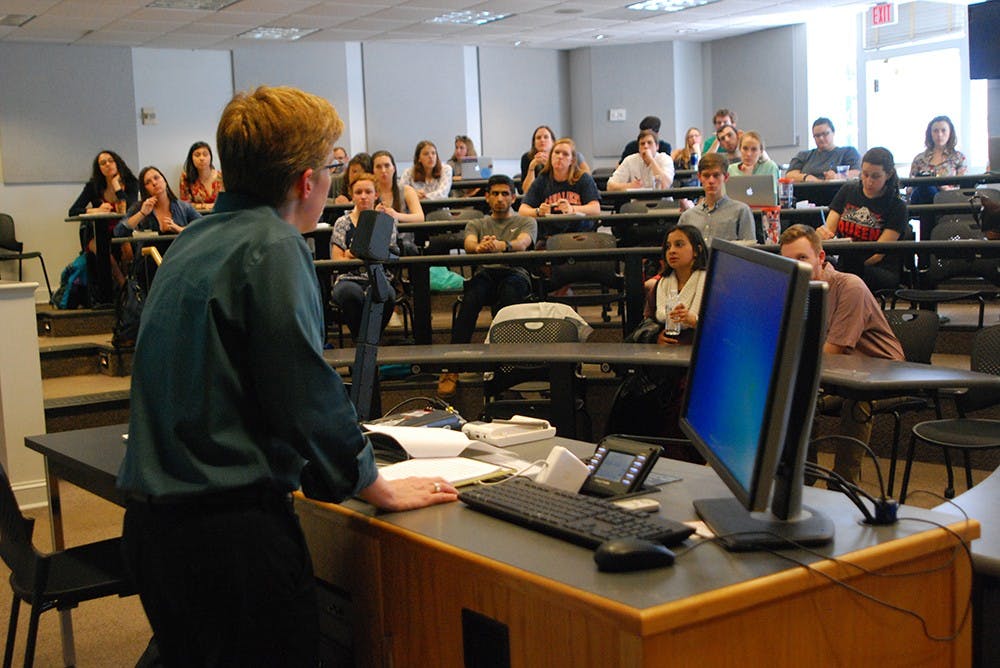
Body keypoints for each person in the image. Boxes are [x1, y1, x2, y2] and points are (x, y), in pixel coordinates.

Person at [117, 85, 458, 667]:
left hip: (157, 529)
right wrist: (371, 481)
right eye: (330, 167)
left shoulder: (192, 240)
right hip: (231, 537)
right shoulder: (274, 244)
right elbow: (302, 389)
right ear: (306, 181)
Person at [779, 224, 904, 483]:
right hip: (841, 372)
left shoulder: (849, 287)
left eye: (802, 258)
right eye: (789, 261)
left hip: (884, 372)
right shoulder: (795, 292)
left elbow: (831, 351)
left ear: (820, 257)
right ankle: (802, 477)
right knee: (798, 394)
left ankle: (843, 485)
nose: (796, 267)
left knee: (856, 401)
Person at [607, 225, 708, 457]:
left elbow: (724, 328)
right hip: (661, 362)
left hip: (698, 363)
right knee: (631, 399)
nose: (672, 251)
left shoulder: (713, 282)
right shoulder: (660, 285)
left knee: (681, 401)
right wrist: (656, 336)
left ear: (697, 250)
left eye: (679, 245)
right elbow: (648, 323)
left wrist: (694, 321)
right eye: (668, 246)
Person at [438, 174, 537, 397]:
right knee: (471, 298)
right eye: (495, 194)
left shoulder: (526, 221)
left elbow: (522, 243)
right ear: (487, 197)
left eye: (505, 194)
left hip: (515, 273)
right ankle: (451, 368)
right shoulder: (477, 223)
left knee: (510, 298)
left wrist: (500, 245)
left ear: (513, 197)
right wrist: (479, 248)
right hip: (486, 273)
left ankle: (508, 367)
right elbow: (469, 243)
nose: (500, 198)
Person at [817, 146, 909, 293]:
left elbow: (878, 253)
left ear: (889, 174)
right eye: (865, 174)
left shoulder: (897, 206)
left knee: (846, 271)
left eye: (875, 176)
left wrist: (846, 268)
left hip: (878, 268)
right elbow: (829, 230)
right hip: (845, 261)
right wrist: (822, 234)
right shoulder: (848, 190)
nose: (868, 181)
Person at [330, 172, 398, 340]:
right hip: (348, 278)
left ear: (376, 194)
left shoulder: (386, 222)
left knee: (386, 295)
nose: (363, 196)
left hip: (378, 277)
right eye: (358, 192)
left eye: (368, 192)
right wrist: (364, 252)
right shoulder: (342, 222)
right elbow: (337, 259)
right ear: (352, 196)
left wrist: (351, 253)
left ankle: (371, 340)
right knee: (351, 294)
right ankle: (360, 340)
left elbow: (384, 255)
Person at [518, 137, 601, 245]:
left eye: (565, 154)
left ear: (572, 160)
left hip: (580, 235)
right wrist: (538, 211)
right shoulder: (542, 179)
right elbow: (522, 210)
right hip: (549, 237)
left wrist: (572, 209)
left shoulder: (583, 178)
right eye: (556, 152)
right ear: (551, 156)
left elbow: (595, 209)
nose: (560, 157)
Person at [677, 152, 755, 245]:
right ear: (699, 177)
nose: (711, 181)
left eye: (716, 175)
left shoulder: (741, 211)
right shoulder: (687, 217)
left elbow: (749, 248)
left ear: (726, 177)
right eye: (706, 176)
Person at [116, 165, 200, 237]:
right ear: (144, 189)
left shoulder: (184, 207)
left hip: (179, 250)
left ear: (165, 180)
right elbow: (118, 232)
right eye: (148, 182)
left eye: (156, 178)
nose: (154, 183)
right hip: (148, 250)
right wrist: (141, 214)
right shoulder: (138, 208)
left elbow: (204, 227)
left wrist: (179, 229)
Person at [908, 115, 967, 205]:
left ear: (950, 133)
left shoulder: (959, 158)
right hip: (920, 200)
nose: (939, 135)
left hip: (947, 200)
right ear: (930, 134)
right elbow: (909, 187)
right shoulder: (919, 159)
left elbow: (963, 189)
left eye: (943, 130)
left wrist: (943, 187)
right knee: (924, 186)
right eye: (935, 131)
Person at [786, 118, 861, 182]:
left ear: (833, 132)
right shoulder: (803, 155)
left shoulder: (848, 152)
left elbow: (857, 173)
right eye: (817, 136)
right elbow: (789, 175)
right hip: (807, 191)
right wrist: (806, 177)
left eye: (825, 134)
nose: (821, 138)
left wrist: (837, 176)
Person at [520, 125, 591, 193]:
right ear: (534, 142)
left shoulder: (571, 155)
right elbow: (527, 191)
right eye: (538, 138)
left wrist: (550, 165)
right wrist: (531, 167)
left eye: (546, 137)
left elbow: (587, 177)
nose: (542, 140)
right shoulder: (527, 157)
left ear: (553, 141)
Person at [69, 149, 140, 217]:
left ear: (117, 164)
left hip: (126, 225)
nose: (108, 164)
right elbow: (73, 211)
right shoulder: (93, 186)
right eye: (103, 163)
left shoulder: (131, 182)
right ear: (99, 169)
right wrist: (96, 210)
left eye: (111, 161)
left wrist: (116, 185)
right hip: (103, 226)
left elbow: (132, 209)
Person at [607, 128, 676, 191]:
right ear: (639, 148)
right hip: (637, 200)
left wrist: (651, 160)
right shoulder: (630, 160)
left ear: (657, 146)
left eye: (649, 143)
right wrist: (630, 186)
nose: (646, 146)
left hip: (662, 200)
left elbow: (665, 185)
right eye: (642, 144)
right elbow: (610, 186)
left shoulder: (665, 159)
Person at [372, 150, 424, 223]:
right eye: (378, 167)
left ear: (394, 168)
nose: (383, 170)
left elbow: (420, 217)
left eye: (387, 166)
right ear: (373, 171)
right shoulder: (368, 192)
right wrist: (374, 215)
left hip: (402, 230)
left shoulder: (407, 190)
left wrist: (396, 215)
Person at [178, 141, 224, 211]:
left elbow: (227, 201)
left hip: (219, 214)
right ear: (191, 158)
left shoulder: (221, 176)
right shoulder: (186, 177)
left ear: (210, 157)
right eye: (197, 155)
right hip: (196, 215)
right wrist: (205, 206)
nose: (202, 158)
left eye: (205, 154)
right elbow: (184, 205)